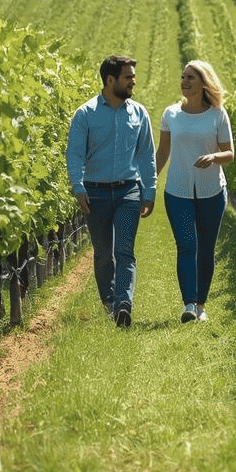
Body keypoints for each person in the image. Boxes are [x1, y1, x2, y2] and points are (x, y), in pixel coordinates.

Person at [66, 55, 156, 328]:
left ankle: (124, 305)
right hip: (95, 193)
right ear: (110, 80)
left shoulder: (139, 114)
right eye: (128, 77)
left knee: (124, 250)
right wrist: (77, 185)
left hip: (129, 190)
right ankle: (109, 301)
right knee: (103, 253)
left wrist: (149, 190)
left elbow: (146, 155)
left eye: (133, 76)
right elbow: (74, 153)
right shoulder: (85, 114)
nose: (133, 82)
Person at [156, 60, 234, 323]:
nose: (185, 82)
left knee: (206, 249)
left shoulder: (218, 115)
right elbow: (163, 153)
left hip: (212, 191)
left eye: (191, 78)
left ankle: (201, 304)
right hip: (177, 191)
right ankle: (189, 304)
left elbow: (230, 153)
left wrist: (214, 156)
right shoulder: (170, 114)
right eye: (183, 77)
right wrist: (148, 181)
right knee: (187, 245)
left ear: (204, 83)